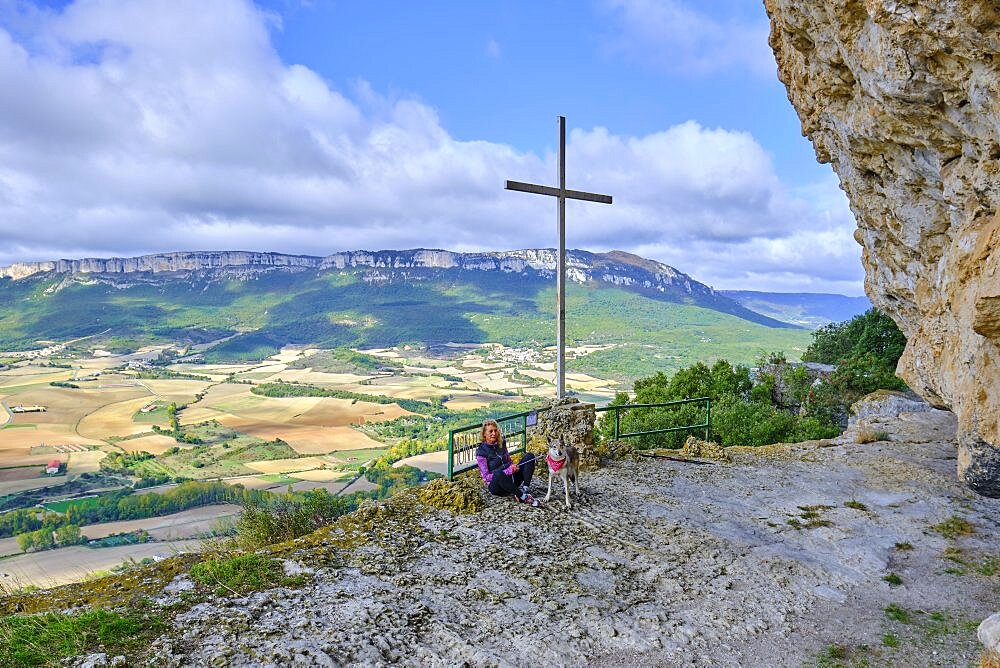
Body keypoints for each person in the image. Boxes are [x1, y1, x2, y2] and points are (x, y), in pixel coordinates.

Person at [475, 419, 538, 506]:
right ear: (484, 434)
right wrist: (508, 471)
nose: (494, 433)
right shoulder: (481, 452)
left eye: (495, 430)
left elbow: (508, 460)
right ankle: (522, 497)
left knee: (529, 456)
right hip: (498, 487)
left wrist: (513, 466)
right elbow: (487, 477)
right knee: (498, 473)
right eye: (490, 431)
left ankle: (525, 489)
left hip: (512, 480)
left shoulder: (501, 443)